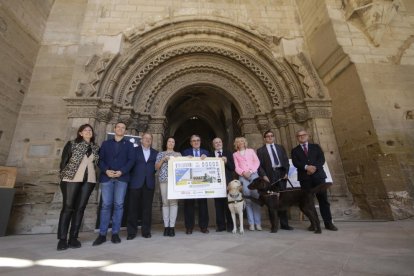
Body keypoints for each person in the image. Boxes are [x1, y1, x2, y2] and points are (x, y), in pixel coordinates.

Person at [57, 124, 100, 250]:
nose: (88, 131)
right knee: (68, 207)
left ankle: (74, 238)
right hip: (71, 178)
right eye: (85, 130)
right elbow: (64, 161)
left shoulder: (95, 147)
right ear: (80, 133)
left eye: (90, 130)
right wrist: (64, 176)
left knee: (80, 208)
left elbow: (96, 163)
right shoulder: (72, 144)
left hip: (89, 180)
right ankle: (62, 239)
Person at [93, 122, 135, 246]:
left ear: (125, 131)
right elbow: (100, 160)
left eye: (123, 128)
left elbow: (131, 160)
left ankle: (115, 233)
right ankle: (102, 234)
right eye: (119, 127)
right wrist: (106, 171)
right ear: (115, 129)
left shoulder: (129, 145)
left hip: (122, 178)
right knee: (106, 205)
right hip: (107, 177)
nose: (121, 129)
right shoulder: (106, 144)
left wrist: (121, 171)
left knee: (119, 205)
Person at [291, 129, 338, 231]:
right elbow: (295, 163)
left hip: (318, 177)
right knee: (308, 202)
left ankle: (328, 223)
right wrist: (306, 167)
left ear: (307, 136)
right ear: (297, 138)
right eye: (299, 136)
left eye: (303, 135)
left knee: (323, 201)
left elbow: (321, 159)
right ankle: (314, 223)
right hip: (305, 179)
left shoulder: (315, 147)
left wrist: (314, 168)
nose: (302, 137)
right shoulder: (294, 150)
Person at [257, 130, 293, 231]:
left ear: (274, 137)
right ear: (264, 139)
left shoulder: (280, 148)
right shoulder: (260, 150)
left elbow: (286, 161)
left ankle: (285, 224)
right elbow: (259, 166)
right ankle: (274, 225)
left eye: (271, 136)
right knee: (271, 201)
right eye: (267, 136)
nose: (270, 138)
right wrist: (263, 175)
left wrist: (286, 172)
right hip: (269, 175)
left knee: (283, 199)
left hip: (281, 174)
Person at [127, 132, 158, 239]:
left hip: (149, 183)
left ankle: (146, 231)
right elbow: (129, 165)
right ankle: (131, 232)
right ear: (141, 140)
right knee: (133, 208)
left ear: (151, 141)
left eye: (150, 138)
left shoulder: (155, 153)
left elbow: (155, 168)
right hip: (135, 183)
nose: (147, 140)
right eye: (145, 138)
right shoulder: (134, 151)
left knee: (147, 209)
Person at [181, 134, 210, 234]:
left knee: (203, 205)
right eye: (194, 141)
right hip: (189, 183)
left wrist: (207, 158)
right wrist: (185, 158)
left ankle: (204, 227)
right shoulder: (185, 152)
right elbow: (180, 165)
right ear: (190, 143)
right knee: (188, 204)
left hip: (202, 182)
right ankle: (189, 227)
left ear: (200, 142)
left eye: (198, 140)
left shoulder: (206, 152)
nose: (196, 142)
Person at [232, 137, 262, 231]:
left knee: (256, 198)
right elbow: (236, 167)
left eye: (242, 141)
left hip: (253, 174)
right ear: (236, 144)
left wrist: (251, 171)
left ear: (245, 142)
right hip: (243, 176)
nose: (240, 143)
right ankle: (251, 223)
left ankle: (258, 223)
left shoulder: (251, 151)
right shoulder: (235, 154)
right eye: (238, 142)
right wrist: (243, 173)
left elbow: (256, 161)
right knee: (248, 199)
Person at [155, 137, 182, 237]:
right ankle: (166, 227)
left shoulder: (178, 154)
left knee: (174, 203)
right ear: (166, 143)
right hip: (164, 180)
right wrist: (163, 159)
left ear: (175, 144)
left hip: (175, 181)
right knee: (165, 203)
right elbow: (156, 167)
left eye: (173, 142)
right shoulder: (161, 154)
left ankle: (172, 227)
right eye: (169, 141)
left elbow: (183, 165)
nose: (171, 143)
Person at [212, 137, 235, 232]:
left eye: (219, 142)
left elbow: (233, 167)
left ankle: (230, 225)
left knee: (228, 204)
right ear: (213, 145)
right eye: (216, 143)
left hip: (227, 182)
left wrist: (226, 162)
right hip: (215, 183)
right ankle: (221, 226)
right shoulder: (210, 154)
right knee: (218, 205)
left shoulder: (228, 153)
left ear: (222, 143)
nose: (218, 144)